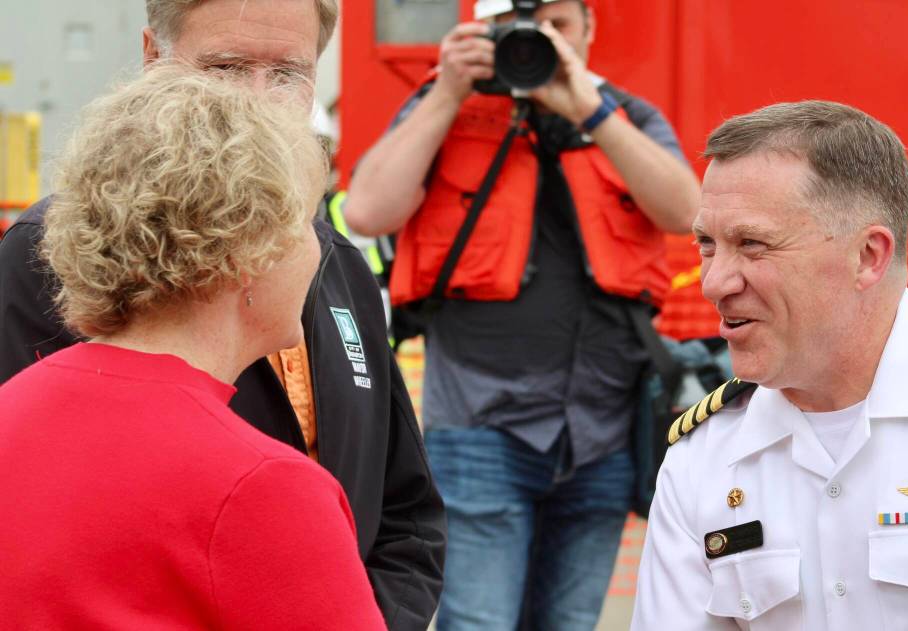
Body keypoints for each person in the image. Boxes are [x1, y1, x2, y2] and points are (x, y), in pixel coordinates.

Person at [0, 2, 445, 628]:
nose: (259, 100)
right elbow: (44, 530)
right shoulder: (49, 248)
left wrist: (352, 609)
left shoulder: (331, 255)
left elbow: (405, 509)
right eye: (227, 67)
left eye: (287, 73)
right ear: (153, 57)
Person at [344, 0, 701, 628]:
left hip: (603, 431)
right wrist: (448, 90)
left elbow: (686, 212)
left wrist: (589, 108)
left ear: (588, 29)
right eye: (519, 27)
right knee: (479, 622)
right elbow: (368, 210)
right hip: (481, 424)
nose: (541, 42)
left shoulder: (625, 115)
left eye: (557, 26)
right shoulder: (448, 105)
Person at [631, 100, 908, 630]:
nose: (714, 283)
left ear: (867, 256)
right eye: (707, 244)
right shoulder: (702, 457)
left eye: (753, 244)